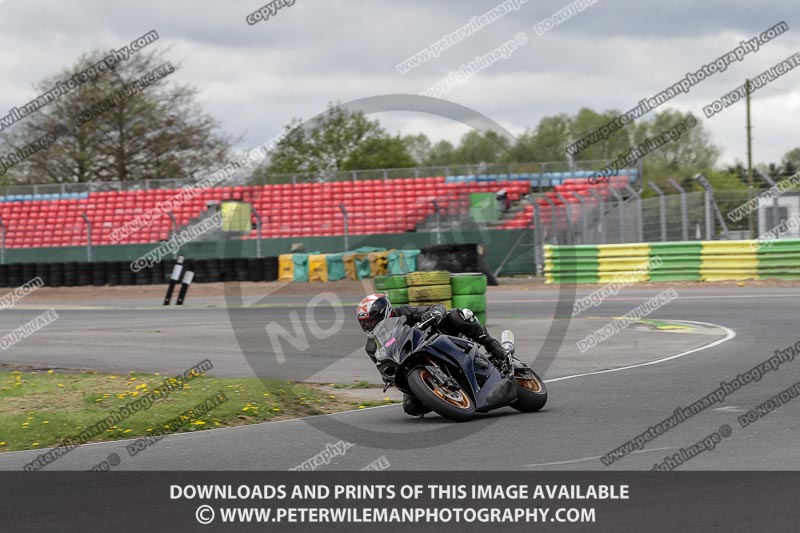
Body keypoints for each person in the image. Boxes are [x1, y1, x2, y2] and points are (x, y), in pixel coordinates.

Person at [356, 293, 509, 416]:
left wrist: (433, 313)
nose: (369, 325)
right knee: (411, 408)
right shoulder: (371, 347)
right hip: (410, 366)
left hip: (436, 341)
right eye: (365, 323)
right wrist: (389, 378)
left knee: (458, 315)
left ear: (384, 313)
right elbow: (383, 370)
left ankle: (493, 345)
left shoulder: (402, 312)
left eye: (371, 321)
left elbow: (437, 307)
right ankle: (445, 399)